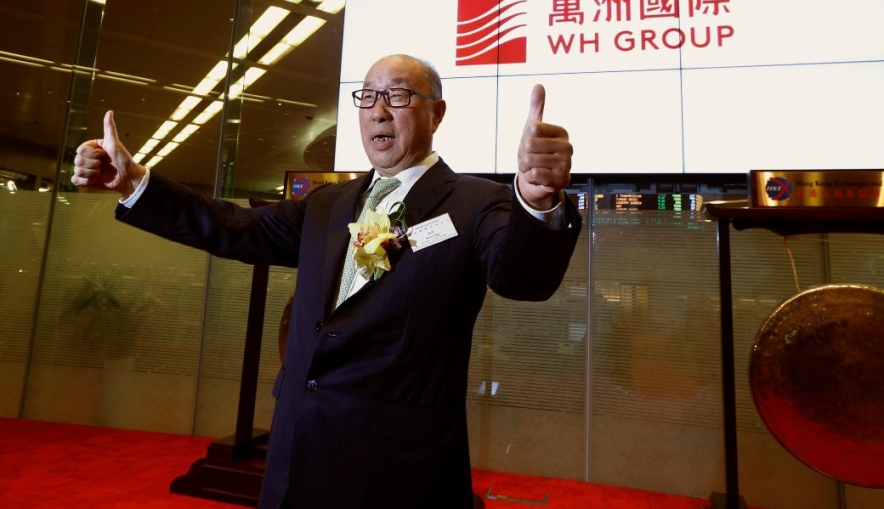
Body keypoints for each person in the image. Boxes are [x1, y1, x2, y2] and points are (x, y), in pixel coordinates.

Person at [72, 54, 581, 509]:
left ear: (437, 114)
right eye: (369, 96)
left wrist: (536, 204)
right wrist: (136, 183)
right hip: (297, 450)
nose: (379, 110)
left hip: (398, 469)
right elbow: (235, 228)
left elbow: (523, 279)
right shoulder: (326, 206)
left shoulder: (477, 204)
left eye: (399, 95)